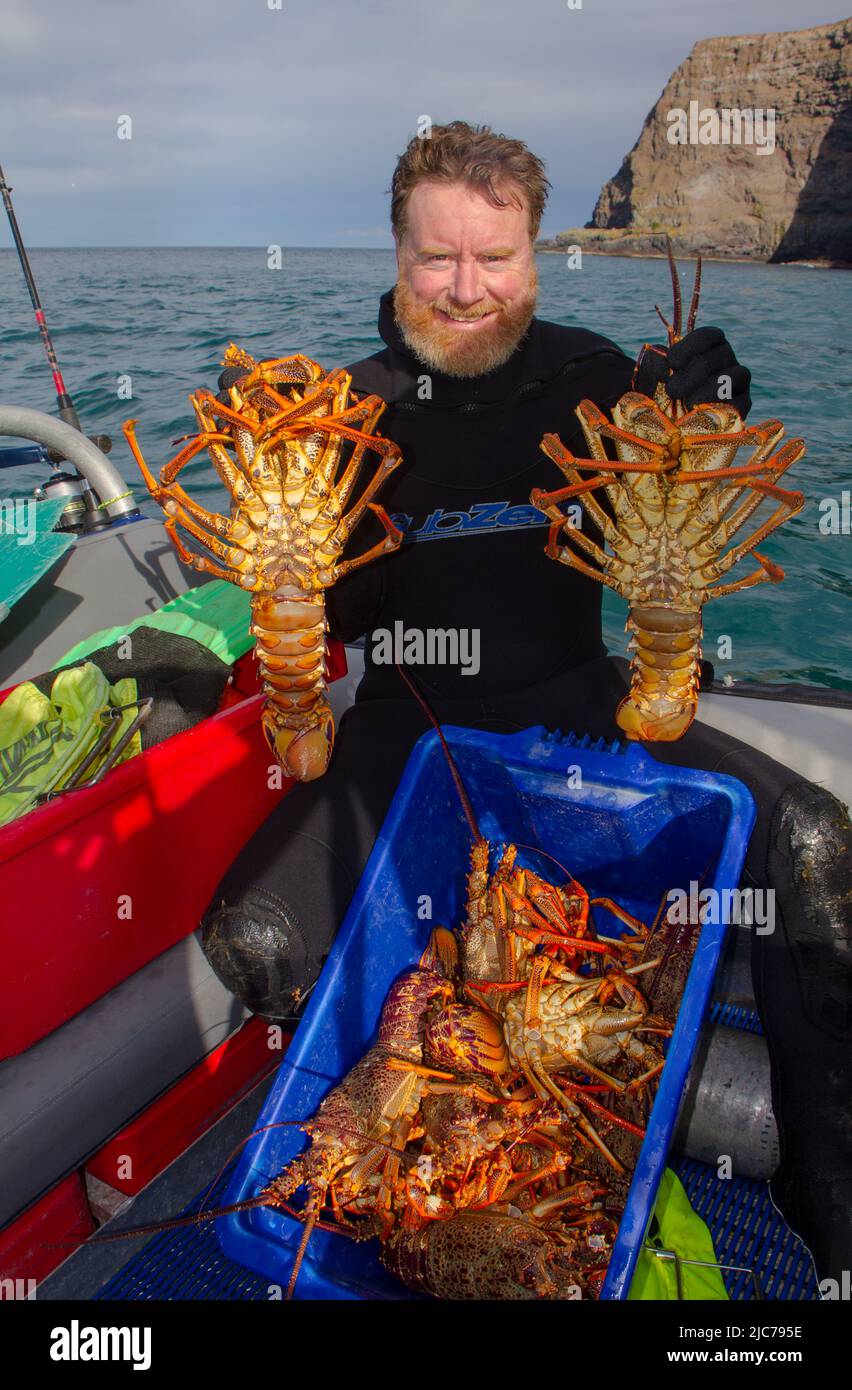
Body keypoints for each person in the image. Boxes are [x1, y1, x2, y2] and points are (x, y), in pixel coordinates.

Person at [201, 122, 850, 1283]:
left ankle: (824, 1183)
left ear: (535, 255)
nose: (464, 289)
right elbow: (332, 630)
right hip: (414, 732)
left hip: (585, 708)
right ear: (397, 253)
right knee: (254, 939)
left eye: (493, 258)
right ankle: (378, 1173)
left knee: (813, 841)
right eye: (436, 258)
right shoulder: (344, 414)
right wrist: (297, 576)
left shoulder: (594, 378)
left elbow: (699, 511)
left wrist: (713, 413)